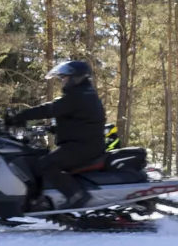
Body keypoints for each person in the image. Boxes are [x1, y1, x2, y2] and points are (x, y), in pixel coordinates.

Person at [6, 60, 106, 209]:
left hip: (82, 148)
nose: (62, 82)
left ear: (76, 78)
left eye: (65, 78)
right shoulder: (85, 94)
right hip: (85, 144)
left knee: (45, 164)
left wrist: (18, 116)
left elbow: (49, 109)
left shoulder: (77, 96)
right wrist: (53, 128)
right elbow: (81, 121)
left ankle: (76, 195)